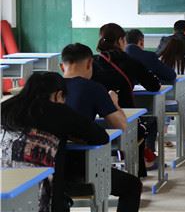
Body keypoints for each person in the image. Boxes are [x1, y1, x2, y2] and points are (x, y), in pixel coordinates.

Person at [1, 72, 108, 212]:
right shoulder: (59, 111)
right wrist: (70, 134)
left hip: (4, 191)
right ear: (58, 95)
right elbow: (101, 137)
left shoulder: (5, 108)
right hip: (42, 197)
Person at [60, 43, 143, 212]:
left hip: (47, 166)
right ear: (90, 63)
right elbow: (121, 125)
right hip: (81, 166)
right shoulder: (93, 88)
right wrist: (113, 102)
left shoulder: (47, 87)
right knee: (132, 185)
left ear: (62, 66)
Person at [92, 23, 161, 109]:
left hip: (96, 112)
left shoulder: (92, 62)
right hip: (125, 112)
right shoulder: (131, 62)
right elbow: (154, 86)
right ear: (120, 40)